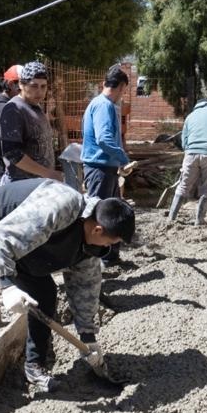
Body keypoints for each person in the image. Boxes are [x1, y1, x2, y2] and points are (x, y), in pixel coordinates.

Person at [0, 179, 135, 394]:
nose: (109, 248)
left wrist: (88, 336)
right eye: (111, 242)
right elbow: (0, 237)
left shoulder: (88, 249)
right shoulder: (60, 207)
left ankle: (34, 366)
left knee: (45, 295)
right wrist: (8, 285)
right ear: (97, 229)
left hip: (23, 246)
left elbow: (85, 290)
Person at [81, 63, 132, 265]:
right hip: (99, 168)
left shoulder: (101, 104)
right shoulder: (104, 105)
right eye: (124, 90)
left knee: (112, 211)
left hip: (104, 167)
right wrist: (123, 159)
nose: (122, 94)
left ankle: (110, 256)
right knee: (99, 215)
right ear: (120, 87)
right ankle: (92, 260)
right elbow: (104, 139)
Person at [0, 61, 61, 185]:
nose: (39, 91)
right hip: (20, 186)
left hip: (39, 184)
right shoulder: (14, 109)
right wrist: (47, 173)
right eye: (34, 86)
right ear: (21, 84)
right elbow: (12, 153)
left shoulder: (35, 106)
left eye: (43, 86)